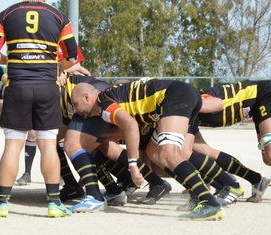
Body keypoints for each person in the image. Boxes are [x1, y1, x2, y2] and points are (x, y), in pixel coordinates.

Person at [0, 0, 80, 218]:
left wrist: (11, 58)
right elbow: (71, 57)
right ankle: (54, 203)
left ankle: (1, 203)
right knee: (48, 145)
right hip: (47, 87)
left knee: (13, 145)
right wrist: (57, 66)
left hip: (17, 85)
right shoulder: (59, 17)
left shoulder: (7, 14)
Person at [70, 79, 226, 221]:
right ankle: (199, 197)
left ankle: (210, 203)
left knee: (167, 153)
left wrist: (132, 166)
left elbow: (130, 126)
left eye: (75, 104)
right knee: (157, 152)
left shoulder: (103, 102)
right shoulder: (109, 101)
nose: (74, 111)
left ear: (86, 97)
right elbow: (127, 128)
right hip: (182, 93)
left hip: (175, 95)